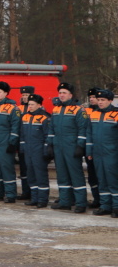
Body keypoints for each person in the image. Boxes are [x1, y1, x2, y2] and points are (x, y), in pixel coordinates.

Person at [48, 83, 88, 212]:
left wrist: (80, 146)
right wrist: (49, 144)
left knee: (76, 175)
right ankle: (65, 201)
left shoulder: (78, 110)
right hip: (58, 146)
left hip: (72, 146)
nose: (61, 95)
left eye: (64, 93)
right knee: (62, 175)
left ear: (70, 95)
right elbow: (51, 129)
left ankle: (81, 203)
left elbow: (83, 129)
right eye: (60, 93)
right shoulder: (56, 109)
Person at [87, 89, 118, 216]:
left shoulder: (116, 114)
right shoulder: (93, 114)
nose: (100, 102)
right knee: (101, 179)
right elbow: (89, 134)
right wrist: (89, 151)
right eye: (98, 100)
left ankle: (116, 206)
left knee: (113, 179)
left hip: (112, 152)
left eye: (103, 100)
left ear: (110, 101)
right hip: (97, 152)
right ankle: (105, 205)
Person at [20, 94, 51, 208]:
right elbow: (22, 134)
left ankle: (42, 199)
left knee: (40, 175)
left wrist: (46, 150)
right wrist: (22, 147)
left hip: (39, 150)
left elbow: (48, 135)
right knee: (31, 174)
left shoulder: (45, 118)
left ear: (39, 105)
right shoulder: (25, 117)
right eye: (29, 104)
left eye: (33, 105)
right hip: (28, 150)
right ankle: (34, 198)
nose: (30, 107)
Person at [16, 86, 36, 200]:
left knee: (32, 168)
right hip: (21, 142)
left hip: (32, 142)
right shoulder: (18, 109)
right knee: (23, 168)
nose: (24, 97)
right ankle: (25, 191)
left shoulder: (36, 108)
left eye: (26, 95)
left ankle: (33, 192)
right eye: (23, 95)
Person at [85, 88, 102, 209]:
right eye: (90, 97)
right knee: (92, 175)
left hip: (102, 149)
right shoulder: (86, 111)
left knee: (102, 175)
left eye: (94, 97)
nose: (91, 99)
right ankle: (97, 198)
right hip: (89, 148)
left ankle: (104, 199)